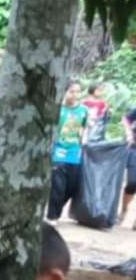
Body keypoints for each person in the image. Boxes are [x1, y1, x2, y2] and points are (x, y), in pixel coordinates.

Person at [48, 81, 89, 221]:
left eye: (78, 91)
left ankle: (56, 211)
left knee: (71, 187)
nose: (75, 95)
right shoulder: (57, 108)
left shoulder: (83, 110)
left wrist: (85, 140)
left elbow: (85, 127)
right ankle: (52, 216)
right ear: (64, 92)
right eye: (72, 91)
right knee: (58, 187)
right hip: (58, 151)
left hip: (75, 153)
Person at [122, 103, 136, 227]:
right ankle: (124, 211)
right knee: (132, 182)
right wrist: (129, 133)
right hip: (134, 148)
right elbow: (126, 118)